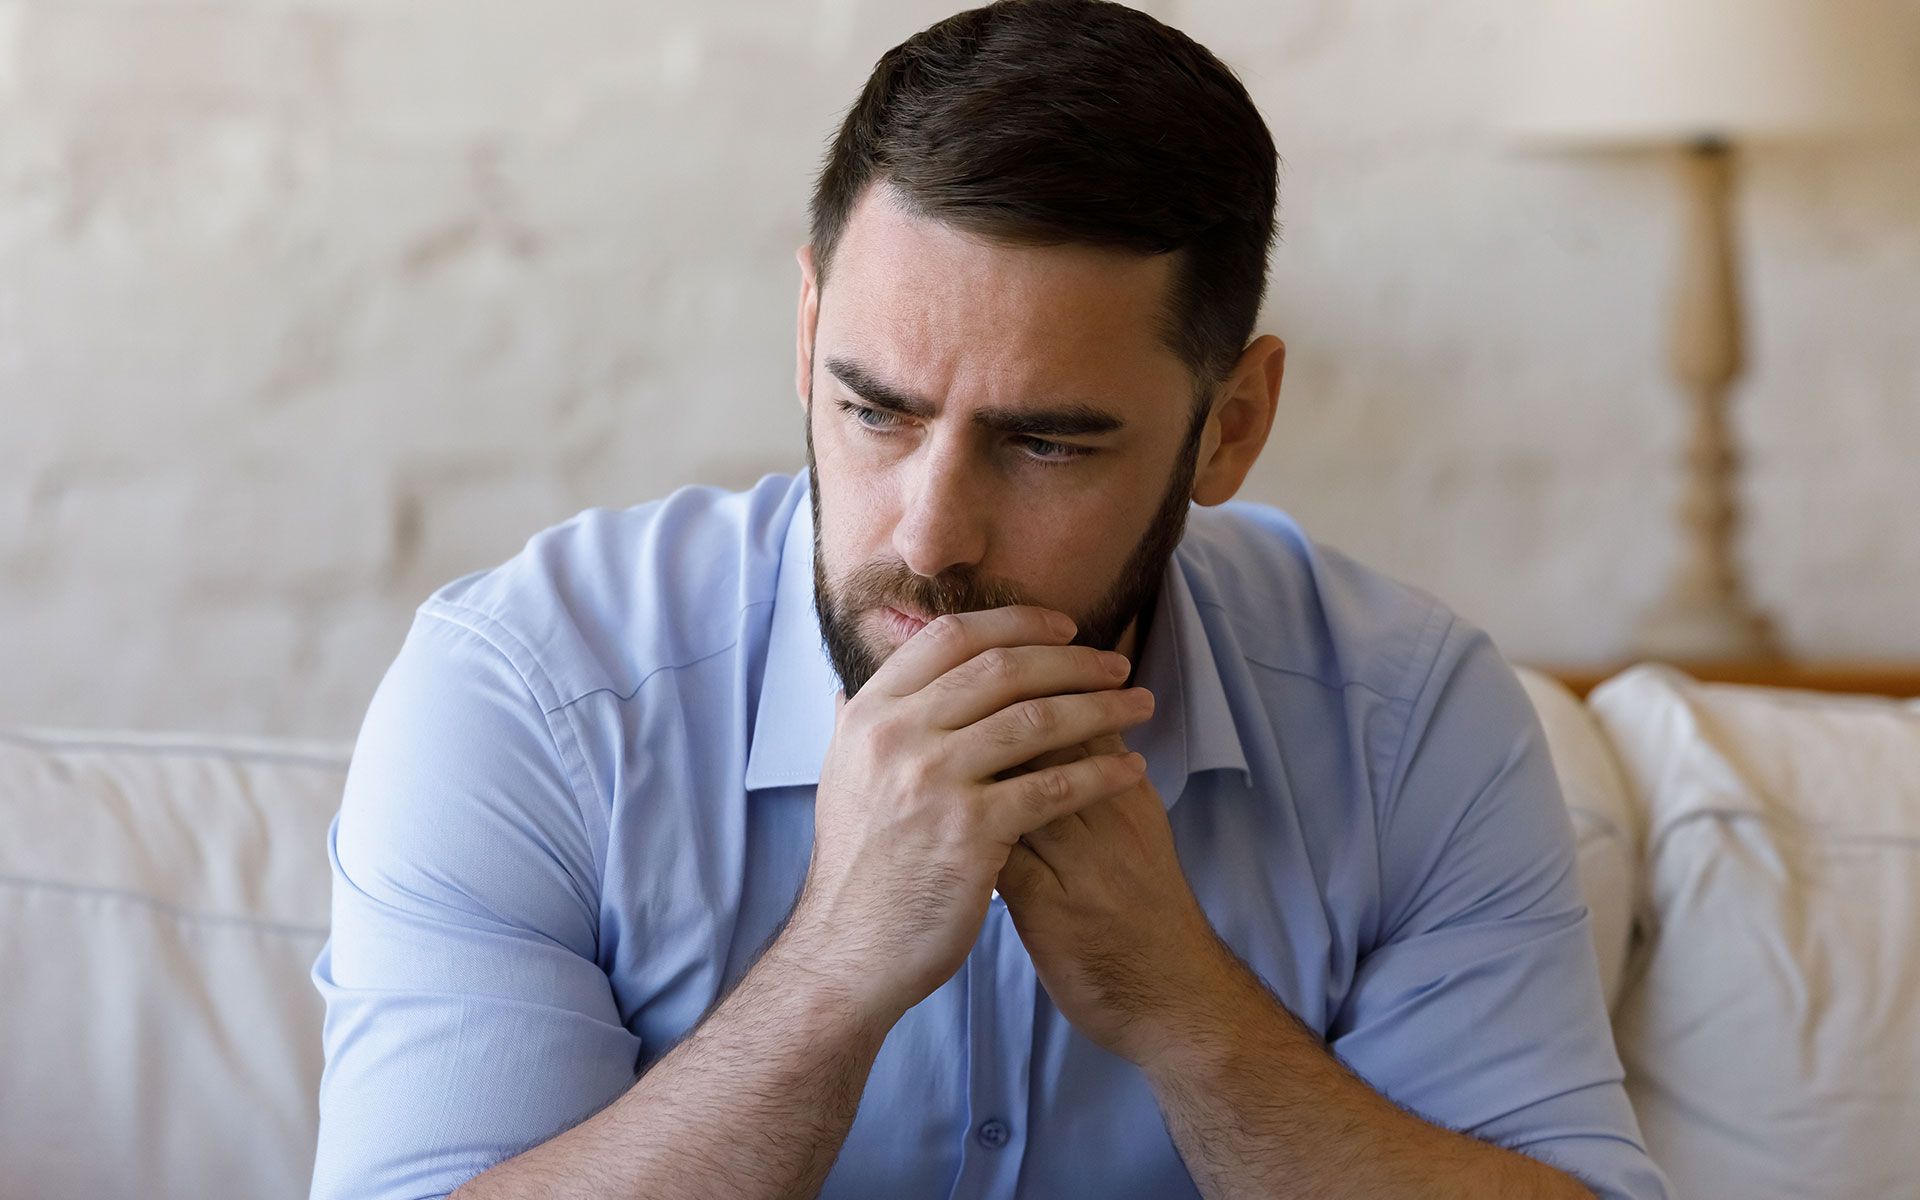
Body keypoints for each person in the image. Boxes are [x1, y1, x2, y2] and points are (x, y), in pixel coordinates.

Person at [309, 2, 1671, 1197]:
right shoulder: (531, 690)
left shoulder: (1404, 717)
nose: (931, 534)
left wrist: (1182, 1008)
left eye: (1048, 443)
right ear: (805, 332)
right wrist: (837, 967)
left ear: (1231, 426)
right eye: (875, 410)